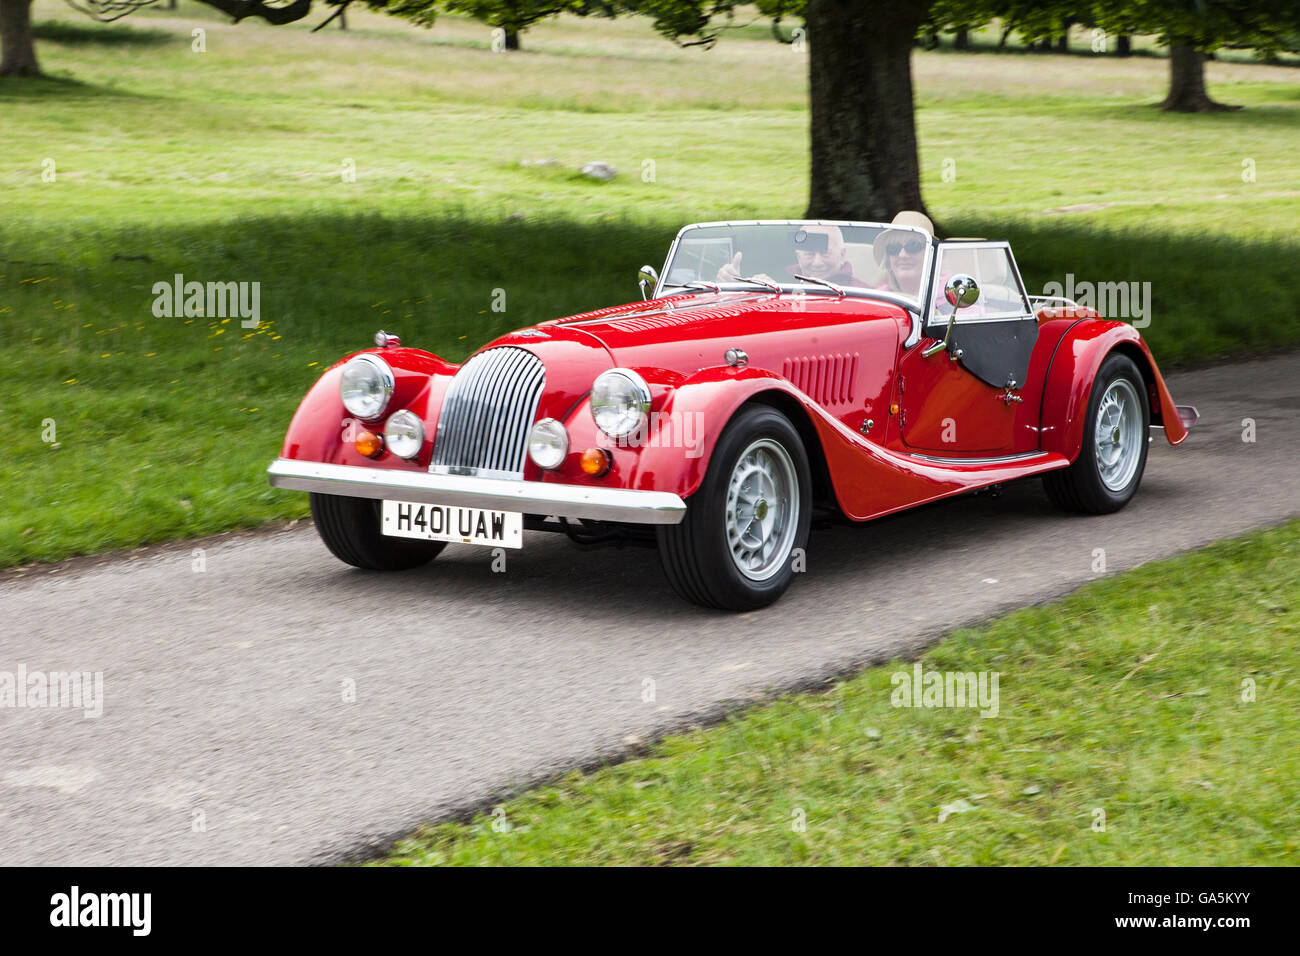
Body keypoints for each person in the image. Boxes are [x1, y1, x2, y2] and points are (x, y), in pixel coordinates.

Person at [717, 224, 860, 286]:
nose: (817, 262)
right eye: (809, 254)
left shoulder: (861, 293)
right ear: (798, 257)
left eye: (825, 253)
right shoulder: (780, 280)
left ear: (842, 254)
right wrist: (735, 288)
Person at [871, 210, 935, 299]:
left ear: (930, 253)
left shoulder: (950, 295)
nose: (902, 255)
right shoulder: (879, 297)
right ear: (888, 259)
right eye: (893, 247)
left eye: (913, 246)